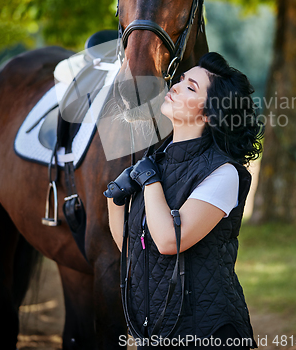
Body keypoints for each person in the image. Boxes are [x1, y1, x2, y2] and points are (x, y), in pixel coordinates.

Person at [104, 52, 263, 349]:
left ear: (209, 114)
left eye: (191, 87)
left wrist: (149, 182)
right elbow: (134, 251)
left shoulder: (223, 173)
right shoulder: (156, 161)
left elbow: (168, 242)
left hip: (206, 331)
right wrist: (115, 200)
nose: (175, 87)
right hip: (156, 329)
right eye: (179, 80)